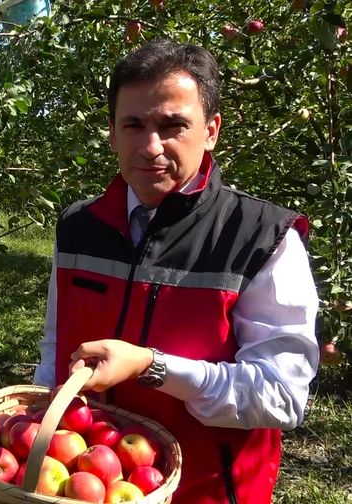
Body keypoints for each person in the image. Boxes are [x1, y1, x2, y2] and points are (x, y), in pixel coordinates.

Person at [34, 40, 318, 503]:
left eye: (173, 126)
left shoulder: (262, 236)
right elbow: (55, 346)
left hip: (206, 491)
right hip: (85, 486)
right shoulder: (78, 227)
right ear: (111, 132)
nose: (151, 147)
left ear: (211, 131)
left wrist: (154, 367)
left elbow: (280, 395)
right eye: (134, 125)